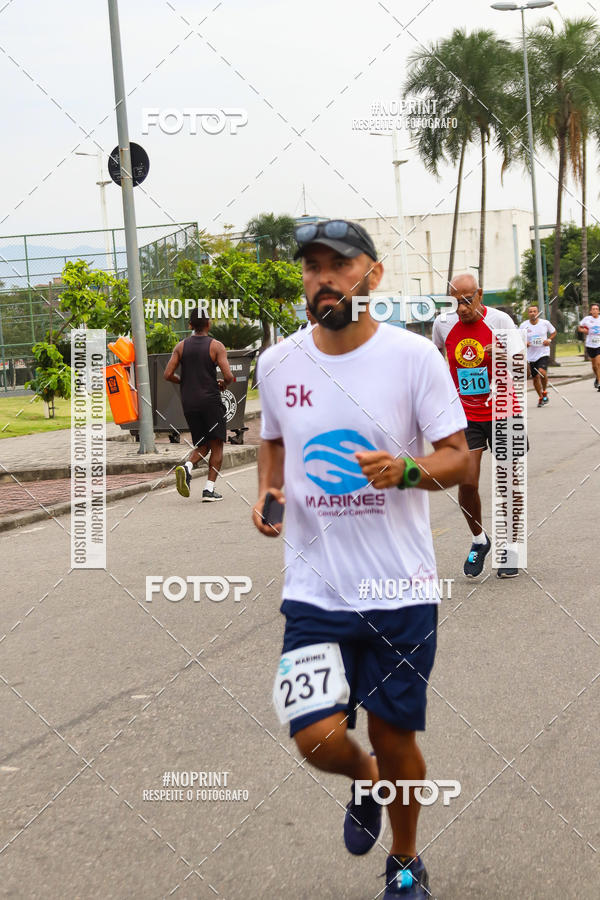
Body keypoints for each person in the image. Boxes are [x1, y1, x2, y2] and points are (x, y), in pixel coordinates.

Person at [252, 219, 469, 898]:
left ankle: (404, 862)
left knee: (396, 737)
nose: (323, 279)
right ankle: (368, 781)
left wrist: (407, 471)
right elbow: (274, 441)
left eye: (338, 265)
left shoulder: (414, 358)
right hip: (313, 591)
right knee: (313, 738)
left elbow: (459, 459)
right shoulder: (277, 363)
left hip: (400, 591)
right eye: (311, 267)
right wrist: (269, 490)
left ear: (372, 274)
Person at [432, 274, 527, 578]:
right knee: (467, 481)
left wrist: (501, 355)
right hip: (466, 415)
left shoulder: (500, 321)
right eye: (455, 302)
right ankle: (479, 540)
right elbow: (436, 360)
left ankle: (511, 547)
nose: (461, 308)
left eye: (466, 300)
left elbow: (523, 368)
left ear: (479, 294)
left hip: (504, 410)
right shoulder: (442, 324)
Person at [164, 308, 233, 500]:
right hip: (210, 401)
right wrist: (223, 384)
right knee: (217, 445)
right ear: (208, 324)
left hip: (189, 403)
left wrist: (183, 382)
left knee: (203, 444)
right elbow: (228, 376)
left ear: (190, 325)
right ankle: (208, 490)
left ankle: (187, 467)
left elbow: (167, 374)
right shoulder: (216, 346)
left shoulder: (181, 346)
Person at [519, 304, 556, 407]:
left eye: (534, 311)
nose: (533, 313)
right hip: (531, 356)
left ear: (538, 313)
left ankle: (544, 391)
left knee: (542, 372)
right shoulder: (523, 325)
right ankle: (541, 397)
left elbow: (553, 332)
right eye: (530, 311)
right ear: (528, 313)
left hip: (543, 352)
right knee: (535, 378)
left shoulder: (545, 323)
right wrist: (524, 343)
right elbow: (518, 338)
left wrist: (549, 340)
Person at [578, 302, 600, 390]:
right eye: (593, 309)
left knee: (598, 363)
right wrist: (584, 330)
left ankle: (599, 382)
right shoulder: (587, 319)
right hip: (590, 344)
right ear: (590, 311)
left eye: (596, 309)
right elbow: (579, 327)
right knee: (594, 366)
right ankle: (597, 377)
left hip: (599, 344)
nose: (594, 311)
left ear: (599, 311)